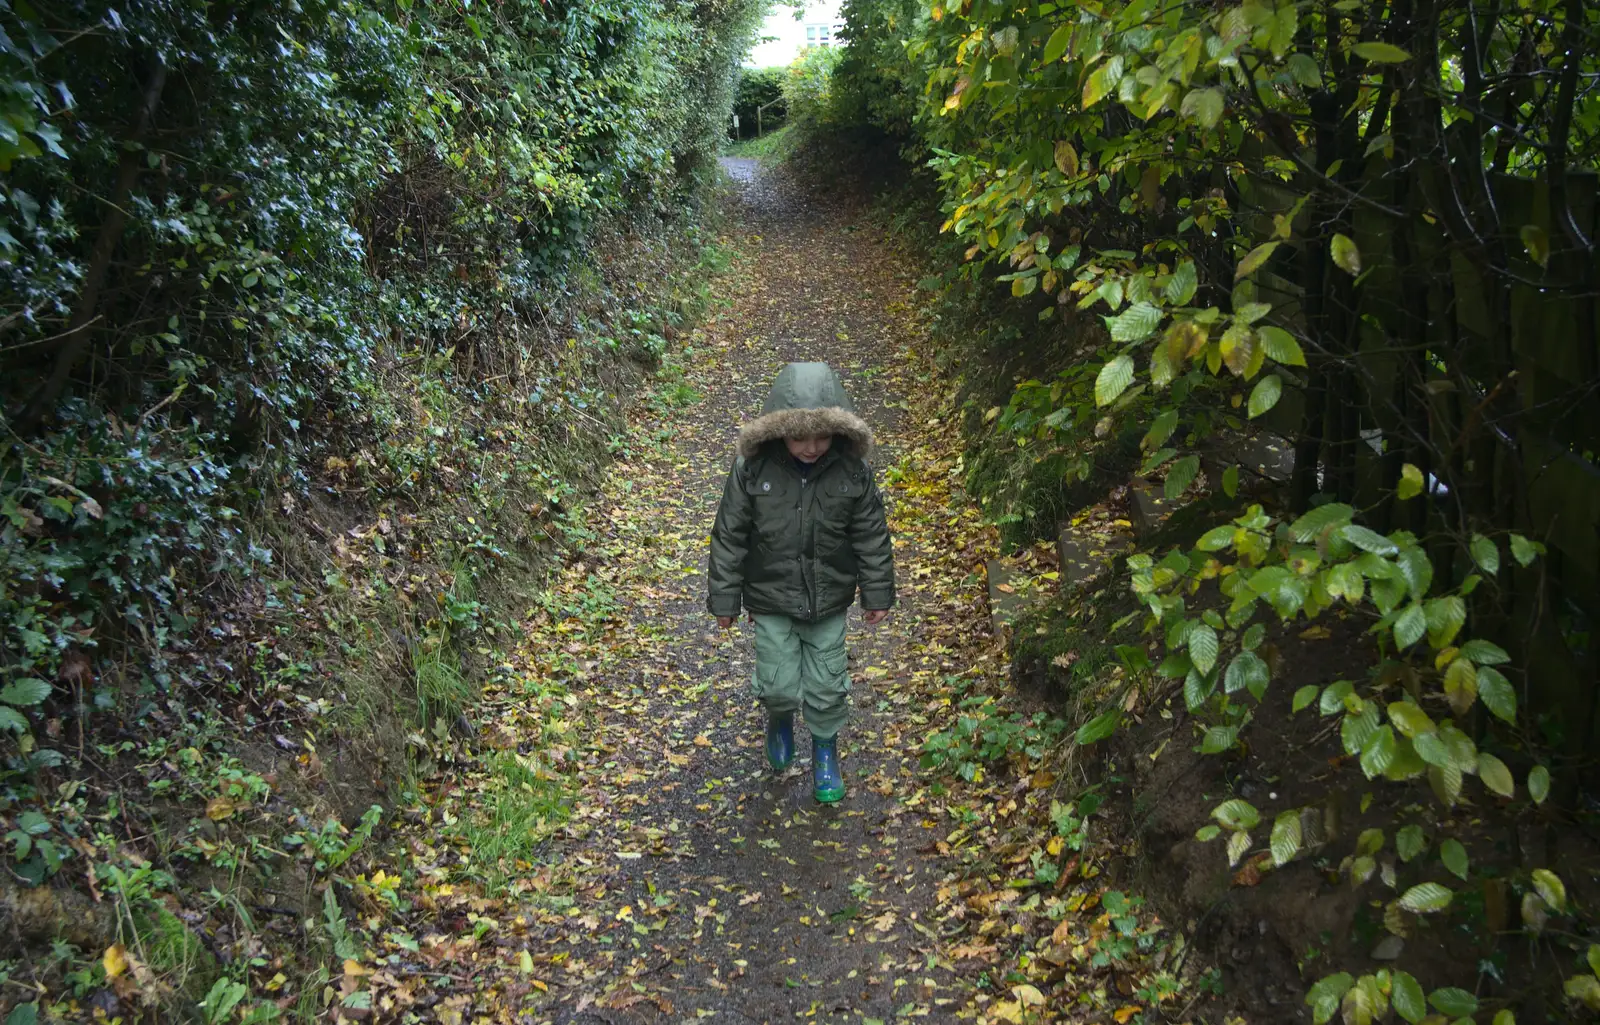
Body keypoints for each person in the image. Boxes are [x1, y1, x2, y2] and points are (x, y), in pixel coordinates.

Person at [707, 362, 896, 803]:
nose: (811, 447)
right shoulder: (753, 471)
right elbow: (730, 533)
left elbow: (871, 533)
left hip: (829, 600)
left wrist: (877, 591)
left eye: (822, 435)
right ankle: (779, 718)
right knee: (776, 683)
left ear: (839, 432)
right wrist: (725, 599)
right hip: (771, 598)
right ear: (777, 432)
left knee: (828, 685)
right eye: (798, 436)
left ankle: (826, 750)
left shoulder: (851, 473)